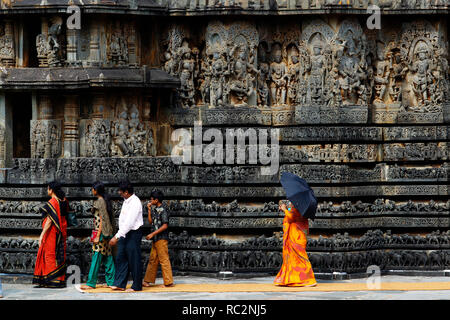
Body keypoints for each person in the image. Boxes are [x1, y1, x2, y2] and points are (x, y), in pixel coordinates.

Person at [108, 180, 143, 292]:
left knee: (134, 259)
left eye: (121, 191)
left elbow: (129, 222)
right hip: (124, 232)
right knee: (121, 257)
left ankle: (137, 285)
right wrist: (120, 234)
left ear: (127, 192)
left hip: (133, 232)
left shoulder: (135, 202)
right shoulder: (126, 200)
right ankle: (119, 283)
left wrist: (116, 236)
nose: (119, 193)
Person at [81, 181, 116, 290]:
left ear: (96, 190)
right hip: (107, 233)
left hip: (100, 234)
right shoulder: (105, 201)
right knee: (108, 257)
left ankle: (91, 283)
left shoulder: (99, 202)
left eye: (93, 189)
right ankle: (111, 282)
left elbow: (101, 220)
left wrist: (97, 235)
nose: (92, 191)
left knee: (96, 257)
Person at [33, 181, 69, 288]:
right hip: (62, 231)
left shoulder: (52, 202)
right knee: (60, 254)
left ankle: (52, 280)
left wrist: (42, 235)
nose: (47, 190)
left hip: (52, 233)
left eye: (48, 188)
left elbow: (49, 221)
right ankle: (60, 280)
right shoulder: (64, 200)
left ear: (51, 190)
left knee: (50, 255)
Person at [274, 201, 317, 287]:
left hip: (297, 236)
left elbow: (291, 217)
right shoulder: (297, 205)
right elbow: (291, 212)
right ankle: (293, 279)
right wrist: (286, 208)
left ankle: (308, 279)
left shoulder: (299, 205)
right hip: (295, 235)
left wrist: (284, 209)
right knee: (292, 257)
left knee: (300, 257)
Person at [143, 190, 174, 288]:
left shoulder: (164, 209)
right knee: (153, 259)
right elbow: (151, 221)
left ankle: (168, 282)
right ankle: (147, 280)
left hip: (161, 238)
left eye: (152, 199)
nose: (150, 201)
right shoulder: (155, 209)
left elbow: (165, 226)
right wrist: (148, 210)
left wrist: (152, 234)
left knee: (163, 259)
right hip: (156, 238)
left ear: (156, 200)